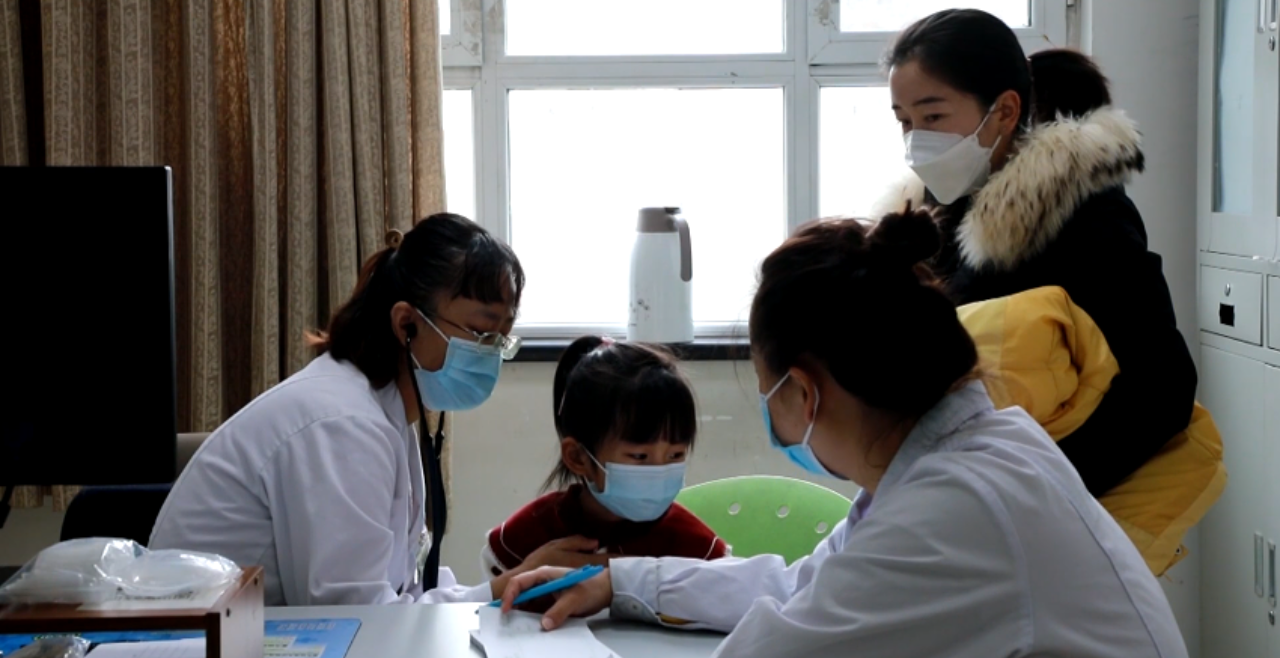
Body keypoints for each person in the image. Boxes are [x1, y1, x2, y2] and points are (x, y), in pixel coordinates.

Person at [500, 211, 1188, 658]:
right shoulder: (961, 459)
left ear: (804, 392)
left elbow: (780, 644)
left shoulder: (956, 504)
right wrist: (616, 581)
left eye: (770, 393)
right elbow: (799, 586)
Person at [150, 213, 581, 606]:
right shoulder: (342, 423)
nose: (490, 354)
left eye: (501, 338)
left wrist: (504, 587)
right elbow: (356, 617)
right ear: (406, 323)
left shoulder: (383, 411)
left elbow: (400, 590)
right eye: (482, 332)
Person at [873, 8, 1196, 497]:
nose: (918, 140)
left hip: (1045, 501)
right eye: (905, 121)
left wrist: (1039, 489)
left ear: (1004, 110)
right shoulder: (933, 215)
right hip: (954, 491)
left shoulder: (1082, 215)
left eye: (934, 116)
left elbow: (1162, 388)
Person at [482, 337, 728, 578]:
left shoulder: (694, 546)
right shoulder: (532, 533)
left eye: (676, 455)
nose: (659, 470)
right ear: (578, 457)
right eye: (640, 456)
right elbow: (495, 607)